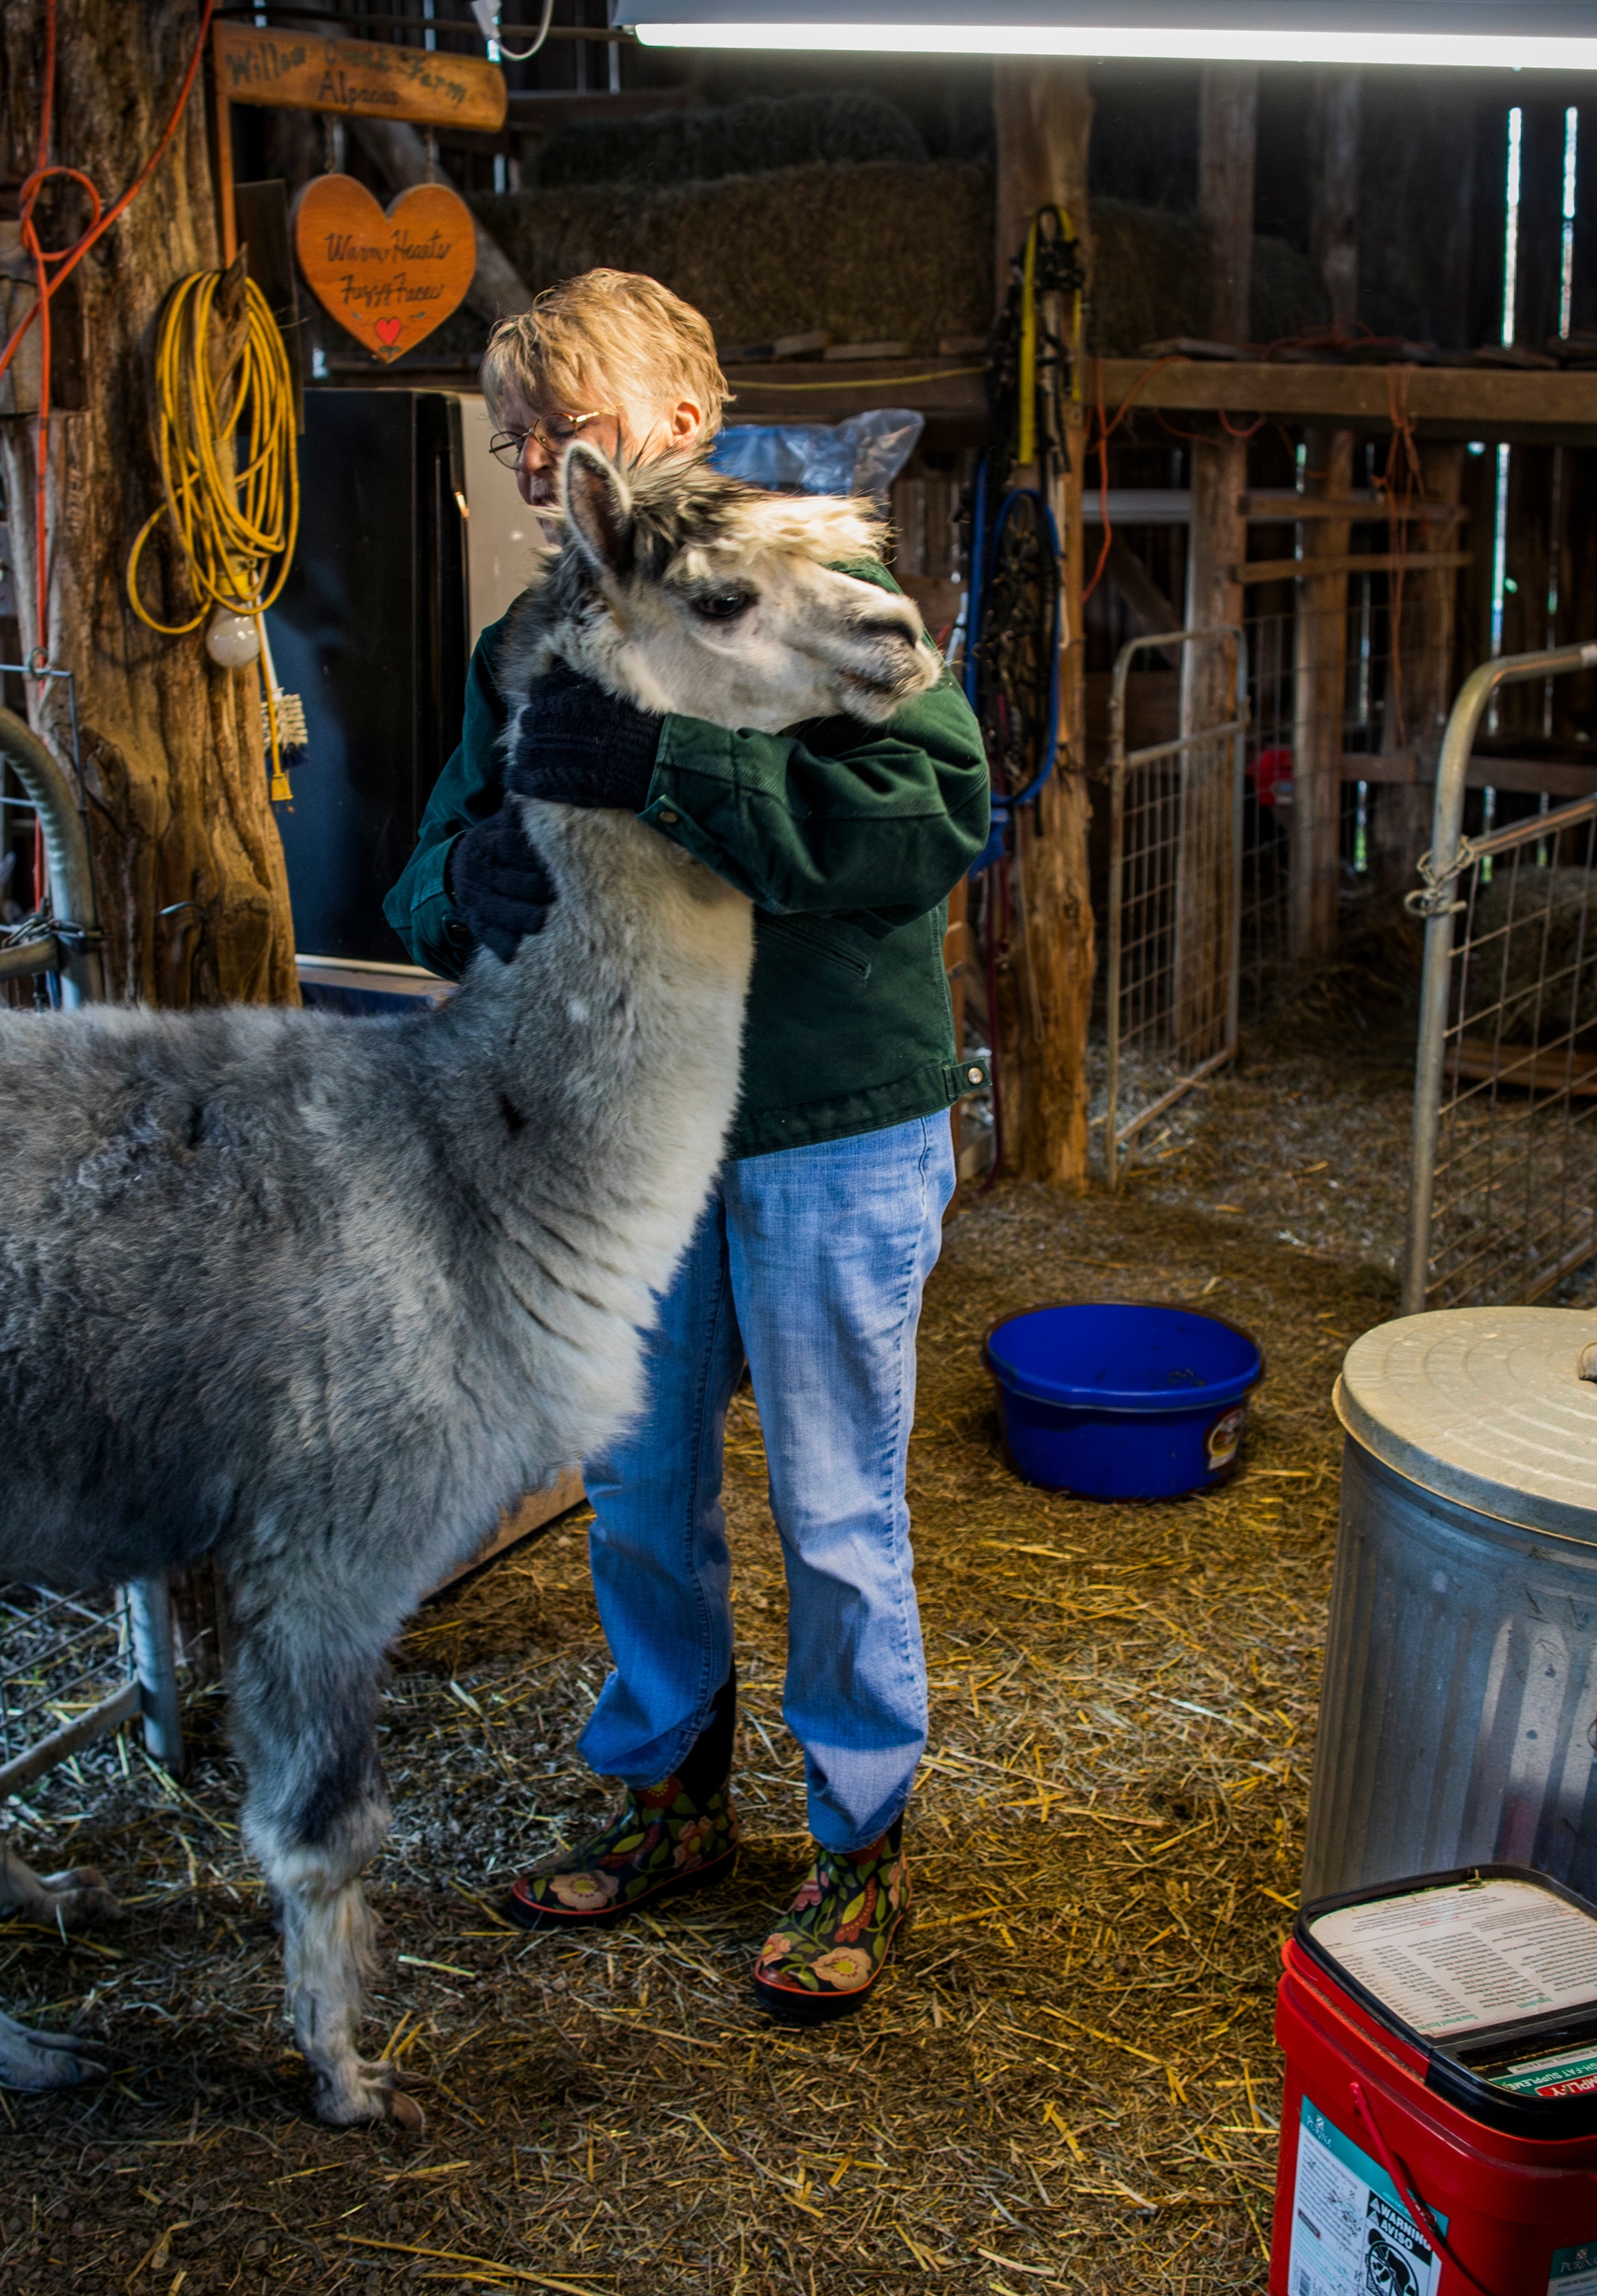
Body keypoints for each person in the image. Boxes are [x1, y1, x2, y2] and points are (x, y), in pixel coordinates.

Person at [384, 271, 990, 2021]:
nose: (529, 455)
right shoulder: (529, 644)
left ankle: (856, 1830)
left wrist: (672, 771)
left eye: (561, 418)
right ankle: (666, 1797)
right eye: (512, 430)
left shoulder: (811, 585)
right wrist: (468, 888)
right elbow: (433, 860)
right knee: (640, 1479)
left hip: (823, 1116)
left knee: (832, 1488)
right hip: (632, 1124)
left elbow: (931, 815)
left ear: (678, 419)